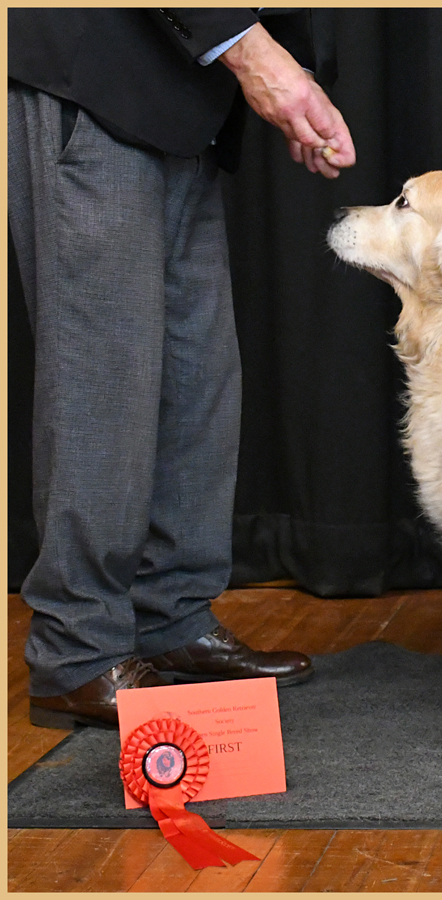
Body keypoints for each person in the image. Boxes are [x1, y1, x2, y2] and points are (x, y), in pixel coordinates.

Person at [8, 9, 356, 729]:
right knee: (103, 379)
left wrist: (289, 72)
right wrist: (257, 56)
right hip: (95, 71)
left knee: (197, 378)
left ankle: (171, 620)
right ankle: (78, 652)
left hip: (177, 91)